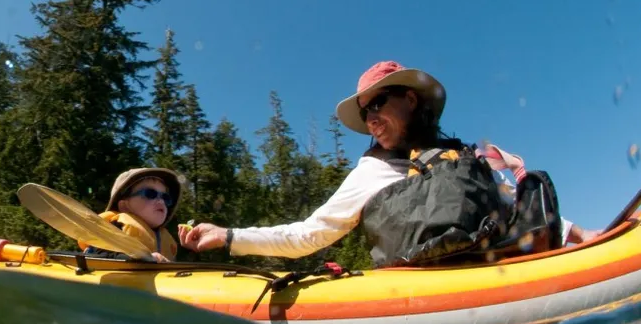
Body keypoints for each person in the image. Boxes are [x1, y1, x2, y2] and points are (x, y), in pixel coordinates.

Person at [179, 61, 600, 267]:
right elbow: (307, 235)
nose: (371, 119)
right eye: (365, 113)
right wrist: (229, 236)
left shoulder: (460, 159)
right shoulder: (371, 173)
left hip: (502, 275)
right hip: (424, 301)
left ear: (410, 99)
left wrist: (585, 235)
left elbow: (509, 207)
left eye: (378, 103)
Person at [79, 168, 182, 263]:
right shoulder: (116, 226)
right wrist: (141, 258)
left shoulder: (165, 236)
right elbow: (101, 256)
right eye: (150, 194)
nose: (161, 201)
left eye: (165, 197)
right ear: (125, 206)